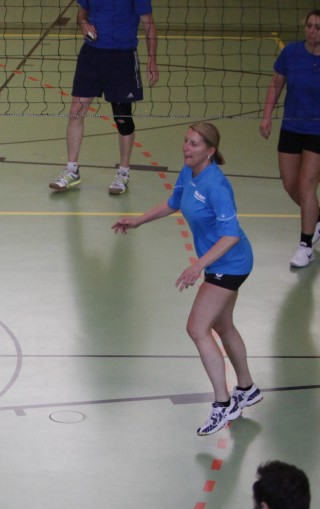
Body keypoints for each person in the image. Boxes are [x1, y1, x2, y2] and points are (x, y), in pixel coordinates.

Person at [112, 123, 261, 436]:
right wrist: (139, 220)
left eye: (194, 144)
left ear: (210, 151)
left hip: (229, 263)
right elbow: (174, 202)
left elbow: (231, 235)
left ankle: (223, 404)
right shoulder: (188, 172)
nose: (186, 148)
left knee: (197, 328)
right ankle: (246, 388)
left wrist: (197, 266)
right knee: (223, 326)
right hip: (220, 262)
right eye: (186, 141)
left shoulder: (216, 185)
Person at [50, 0, 158, 195]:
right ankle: (72, 170)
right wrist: (84, 24)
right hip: (91, 55)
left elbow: (148, 23)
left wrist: (152, 59)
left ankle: (123, 172)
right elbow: (82, 12)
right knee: (76, 110)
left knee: (122, 117)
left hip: (122, 57)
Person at [260, 10, 320, 269]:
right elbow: (276, 84)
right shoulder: (291, 52)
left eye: (318, 27)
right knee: (290, 184)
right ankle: (317, 219)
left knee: (307, 187)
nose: (312, 31)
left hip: (318, 131)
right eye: (309, 26)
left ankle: (305, 246)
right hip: (291, 127)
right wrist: (267, 115)